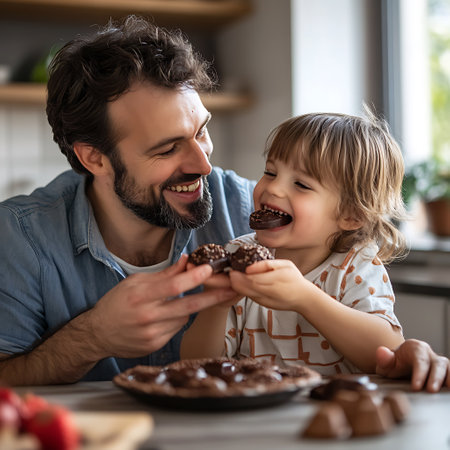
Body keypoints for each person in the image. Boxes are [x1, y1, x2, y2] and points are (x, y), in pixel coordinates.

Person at [0, 16, 447, 390]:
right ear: (93, 158)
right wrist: (92, 338)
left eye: (201, 131)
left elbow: (376, 339)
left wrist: (406, 355)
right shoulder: (21, 239)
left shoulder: (252, 214)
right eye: (167, 148)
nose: (203, 164)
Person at [181, 110, 413, 375]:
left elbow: (387, 353)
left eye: (301, 184)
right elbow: (194, 365)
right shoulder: (239, 256)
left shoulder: (355, 265)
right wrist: (218, 304)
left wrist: (305, 298)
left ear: (351, 215)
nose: (274, 188)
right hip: (256, 411)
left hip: (337, 410)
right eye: (270, 172)